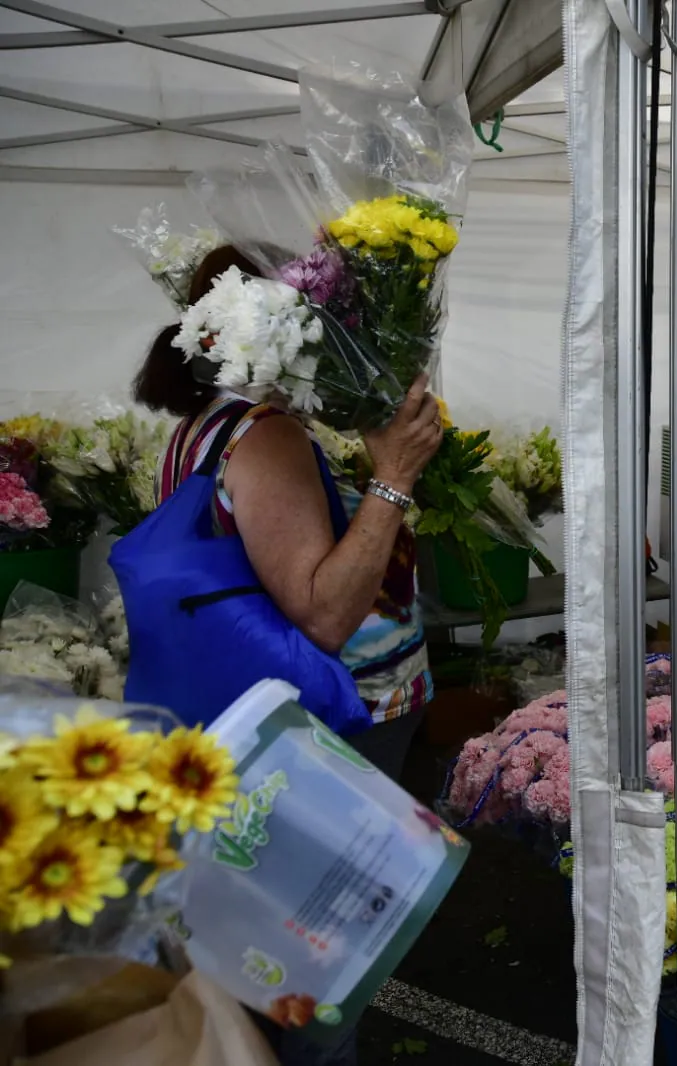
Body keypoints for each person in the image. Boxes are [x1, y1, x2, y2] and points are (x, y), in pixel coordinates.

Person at [136, 247, 443, 1066]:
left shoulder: (207, 425)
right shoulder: (261, 434)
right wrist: (393, 479)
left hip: (265, 715)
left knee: (273, 941)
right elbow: (323, 613)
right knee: (323, 953)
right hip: (334, 717)